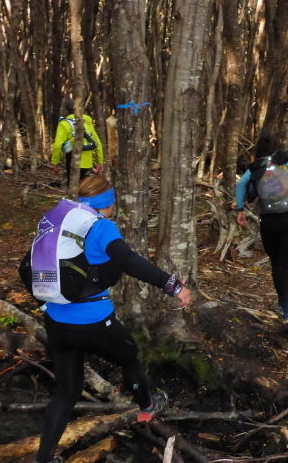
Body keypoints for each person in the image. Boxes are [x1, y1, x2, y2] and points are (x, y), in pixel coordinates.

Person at [21, 176, 191, 463]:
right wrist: (172, 285)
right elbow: (130, 261)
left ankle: (45, 459)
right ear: (108, 204)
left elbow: (25, 267)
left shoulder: (60, 222)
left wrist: (44, 305)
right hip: (95, 323)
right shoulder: (101, 227)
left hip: (57, 322)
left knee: (66, 393)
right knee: (130, 358)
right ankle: (147, 407)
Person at [234, 136, 288, 330]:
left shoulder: (257, 167)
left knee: (277, 264)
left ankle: (282, 304)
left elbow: (241, 185)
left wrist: (240, 209)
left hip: (268, 221)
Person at [51, 98, 104, 186]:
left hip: (72, 160)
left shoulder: (64, 124)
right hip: (87, 161)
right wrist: (100, 161)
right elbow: (97, 142)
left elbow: (57, 145)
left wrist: (55, 162)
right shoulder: (86, 121)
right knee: (83, 185)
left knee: (73, 186)